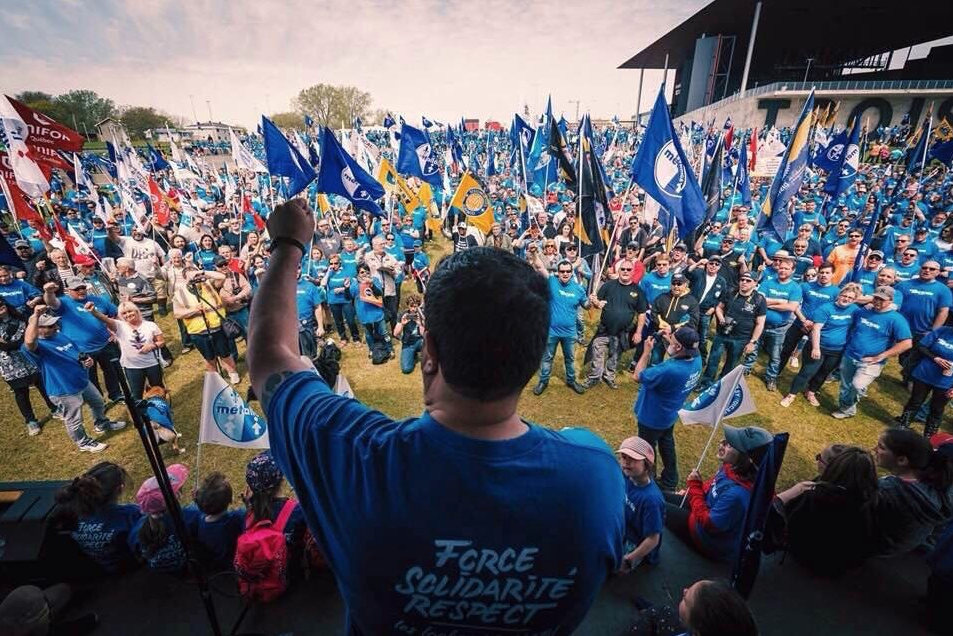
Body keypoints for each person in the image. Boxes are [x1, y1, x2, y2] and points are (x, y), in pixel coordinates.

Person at [247, 200, 624, 636]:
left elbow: (270, 356)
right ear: (533, 355)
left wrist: (289, 243)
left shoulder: (351, 455)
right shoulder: (596, 477)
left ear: (429, 354)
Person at [23, 305, 125, 453]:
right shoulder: (36, 347)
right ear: (38, 329)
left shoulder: (58, 335)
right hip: (64, 389)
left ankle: (101, 424)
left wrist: (86, 360)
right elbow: (30, 342)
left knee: (98, 403)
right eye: (50, 326)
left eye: (55, 323)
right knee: (74, 419)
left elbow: (77, 351)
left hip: (81, 380)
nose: (56, 327)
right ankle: (83, 443)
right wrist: (35, 318)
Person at [665, 425, 771, 562]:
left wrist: (695, 488)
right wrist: (692, 491)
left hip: (704, 537)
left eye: (730, 445)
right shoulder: (731, 467)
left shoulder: (738, 495)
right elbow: (712, 487)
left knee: (654, 505)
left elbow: (709, 524)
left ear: (747, 459)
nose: (721, 443)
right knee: (658, 496)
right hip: (702, 508)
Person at [770, 445, 878, 576]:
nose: (817, 460)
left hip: (812, 562)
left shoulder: (815, 498)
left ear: (832, 468)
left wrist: (788, 494)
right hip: (844, 565)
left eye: (819, 458)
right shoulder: (869, 498)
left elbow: (777, 521)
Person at [632, 328, 703, 491]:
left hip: (651, 417)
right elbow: (676, 353)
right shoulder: (696, 360)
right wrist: (667, 340)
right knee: (666, 443)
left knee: (648, 449)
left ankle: (650, 480)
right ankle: (671, 479)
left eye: (672, 340)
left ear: (678, 347)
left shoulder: (668, 370)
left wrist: (646, 352)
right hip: (670, 413)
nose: (669, 340)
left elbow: (637, 376)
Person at [832, 286, 912, 419]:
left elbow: (906, 343)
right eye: (876, 298)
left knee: (857, 385)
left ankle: (850, 403)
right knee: (846, 385)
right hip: (850, 355)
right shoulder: (863, 311)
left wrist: (881, 356)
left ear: (891, 301)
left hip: (871, 361)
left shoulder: (896, 319)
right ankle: (846, 409)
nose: (878, 301)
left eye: (882, 299)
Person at [43, 278, 123, 404]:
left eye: (82, 287)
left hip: (105, 344)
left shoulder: (97, 299)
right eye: (76, 289)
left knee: (112, 371)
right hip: (82, 349)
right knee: (90, 377)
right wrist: (48, 292)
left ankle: (116, 394)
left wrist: (116, 332)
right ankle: (99, 400)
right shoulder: (63, 303)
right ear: (68, 290)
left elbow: (116, 313)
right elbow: (51, 302)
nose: (81, 291)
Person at [873, 428, 953, 555]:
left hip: (877, 548)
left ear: (902, 460)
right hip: (904, 548)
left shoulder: (888, 490)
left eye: (882, 447)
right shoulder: (940, 490)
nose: (874, 449)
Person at [779, 284, 860, 408]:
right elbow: (816, 329)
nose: (846, 299)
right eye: (844, 295)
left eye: (850, 298)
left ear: (854, 300)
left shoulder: (854, 310)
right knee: (807, 372)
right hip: (819, 346)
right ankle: (791, 395)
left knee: (823, 373)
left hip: (837, 350)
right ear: (839, 295)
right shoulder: (826, 308)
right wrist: (816, 348)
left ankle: (811, 392)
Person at [54, 461, 141, 573]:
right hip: (130, 567)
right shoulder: (130, 513)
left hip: (97, 568)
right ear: (119, 489)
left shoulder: (72, 512)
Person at [584, 258, 647, 389]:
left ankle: (609, 377)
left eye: (628, 269)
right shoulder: (608, 285)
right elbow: (596, 303)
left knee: (615, 355)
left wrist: (638, 332)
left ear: (633, 271)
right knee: (597, 351)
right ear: (618, 270)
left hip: (622, 331)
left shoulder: (638, 290)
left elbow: (642, 313)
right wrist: (595, 302)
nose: (625, 271)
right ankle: (595, 376)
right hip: (604, 329)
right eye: (622, 269)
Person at [85, 301, 165, 402]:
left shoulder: (150, 325)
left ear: (136, 311)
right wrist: (94, 312)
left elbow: (161, 341)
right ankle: (141, 416)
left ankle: (162, 412)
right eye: (124, 313)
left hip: (152, 364)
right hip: (132, 367)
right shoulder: (119, 326)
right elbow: (105, 319)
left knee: (158, 390)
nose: (128, 315)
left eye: (130, 311)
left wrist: (152, 346)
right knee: (136, 395)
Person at [171, 270, 241, 384]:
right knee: (209, 358)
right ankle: (216, 379)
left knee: (225, 354)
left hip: (217, 327)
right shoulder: (179, 293)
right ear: (185, 278)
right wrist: (193, 310)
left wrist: (202, 272)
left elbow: (222, 276)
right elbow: (177, 314)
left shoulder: (209, 284)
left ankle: (233, 374)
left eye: (196, 273)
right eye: (191, 274)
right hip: (198, 331)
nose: (195, 276)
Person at [128, 464, 201, 572]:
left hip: (158, 575)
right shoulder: (191, 516)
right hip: (188, 570)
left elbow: (136, 552)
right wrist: (199, 503)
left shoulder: (136, 530)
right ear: (177, 496)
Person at [700, 271, 766, 389]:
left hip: (741, 339)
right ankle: (705, 384)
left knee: (730, 364)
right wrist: (720, 318)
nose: (744, 282)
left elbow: (760, 323)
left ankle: (720, 387)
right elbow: (719, 307)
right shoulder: (730, 292)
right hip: (722, 334)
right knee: (713, 360)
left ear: (755, 283)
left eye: (748, 281)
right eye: (742, 280)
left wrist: (752, 342)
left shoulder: (759, 299)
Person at [534, 259, 591, 395]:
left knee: (570, 359)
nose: (565, 274)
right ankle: (543, 381)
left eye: (568, 271)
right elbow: (539, 266)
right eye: (562, 271)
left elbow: (586, 305)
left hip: (570, 333)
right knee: (547, 358)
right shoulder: (552, 281)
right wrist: (535, 252)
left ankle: (571, 381)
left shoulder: (578, 289)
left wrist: (592, 301)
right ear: (558, 273)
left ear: (572, 273)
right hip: (551, 331)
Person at [0, 299, 55, 436]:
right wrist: (23, 341)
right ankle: (30, 420)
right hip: (10, 364)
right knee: (21, 392)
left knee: (41, 383)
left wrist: (23, 341)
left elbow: (31, 332)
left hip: (29, 356)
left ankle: (55, 408)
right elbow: (5, 346)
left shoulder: (20, 316)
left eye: (1, 304)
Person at [896, 260, 952, 382]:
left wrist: (933, 332)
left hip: (923, 330)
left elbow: (943, 311)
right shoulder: (905, 284)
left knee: (915, 356)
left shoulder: (943, 290)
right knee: (903, 355)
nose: (927, 270)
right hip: (901, 328)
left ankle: (908, 378)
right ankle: (907, 373)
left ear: (937, 272)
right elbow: (893, 300)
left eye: (932, 269)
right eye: (925, 267)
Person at [752, 256, 802, 392]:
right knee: (753, 347)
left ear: (792, 271)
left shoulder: (795, 288)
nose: (782, 270)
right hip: (760, 324)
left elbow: (792, 308)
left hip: (779, 328)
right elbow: (758, 300)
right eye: (781, 267)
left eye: (786, 268)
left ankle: (771, 378)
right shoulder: (768, 282)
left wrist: (768, 303)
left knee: (775, 355)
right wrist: (780, 302)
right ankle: (747, 368)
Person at [616, 436, 665, 570]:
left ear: (647, 465)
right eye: (624, 457)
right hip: (622, 528)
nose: (626, 462)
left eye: (633, 459)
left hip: (635, 542)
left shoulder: (651, 500)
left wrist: (629, 559)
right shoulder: (627, 476)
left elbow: (653, 539)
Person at [896, 325, 953, 436]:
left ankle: (929, 436)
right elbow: (921, 345)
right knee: (915, 401)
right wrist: (935, 358)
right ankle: (903, 426)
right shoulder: (943, 331)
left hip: (946, 382)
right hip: (924, 374)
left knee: (937, 409)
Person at [187, 471, 244, 571]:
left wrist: (198, 500)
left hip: (213, 567)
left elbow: (201, 511)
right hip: (231, 567)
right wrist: (247, 503)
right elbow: (246, 514)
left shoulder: (199, 521)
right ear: (231, 500)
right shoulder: (235, 519)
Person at [687, 256, 728, 359]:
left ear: (720, 267)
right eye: (711, 263)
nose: (713, 266)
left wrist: (714, 308)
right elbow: (687, 273)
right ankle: (685, 355)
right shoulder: (699, 273)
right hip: (691, 310)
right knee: (688, 333)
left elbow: (722, 298)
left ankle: (702, 358)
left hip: (706, 312)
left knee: (702, 337)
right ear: (707, 264)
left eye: (717, 264)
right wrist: (698, 263)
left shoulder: (721, 281)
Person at [323, 254, 361, 346]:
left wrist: (343, 289)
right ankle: (343, 338)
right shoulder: (329, 273)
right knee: (338, 321)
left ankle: (356, 338)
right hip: (333, 300)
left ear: (340, 263)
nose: (333, 265)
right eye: (331, 263)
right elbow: (323, 284)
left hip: (345, 299)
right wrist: (328, 272)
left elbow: (354, 286)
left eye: (336, 263)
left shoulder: (346, 271)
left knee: (350, 320)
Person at [393, 294, 425, 374]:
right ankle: (413, 354)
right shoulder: (403, 314)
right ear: (408, 306)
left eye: (415, 306)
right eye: (411, 306)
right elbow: (395, 334)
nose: (413, 309)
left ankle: (420, 353)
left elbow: (425, 335)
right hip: (408, 342)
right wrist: (402, 324)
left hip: (421, 340)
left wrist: (420, 324)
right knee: (406, 369)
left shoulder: (422, 314)